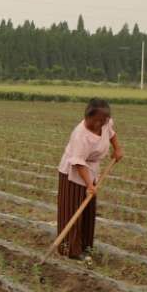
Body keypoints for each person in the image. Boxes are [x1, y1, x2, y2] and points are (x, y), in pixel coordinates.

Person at [55, 98, 122, 261]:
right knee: (72, 210)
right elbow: (78, 162)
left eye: (102, 120)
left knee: (88, 210)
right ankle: (70, 249)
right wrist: (89, 185)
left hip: (91, 170)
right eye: (96, 120)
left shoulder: (105, 123)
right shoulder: (80, 135)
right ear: (88, 117)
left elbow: (112, 134)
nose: (99, 123)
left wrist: (117, 149)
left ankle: (85, 246)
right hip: (73, 172)